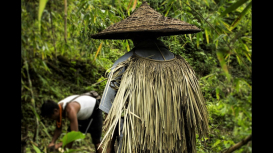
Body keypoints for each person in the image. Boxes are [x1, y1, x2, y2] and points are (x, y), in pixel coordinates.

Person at [92, 2, 209, 153]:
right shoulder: (182, 66)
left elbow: (110, 114)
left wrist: (108, 148)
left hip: (135, 146)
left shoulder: (124, 64)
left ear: (133, 35)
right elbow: (192, 117)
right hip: (175, 147)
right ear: (158, 34)